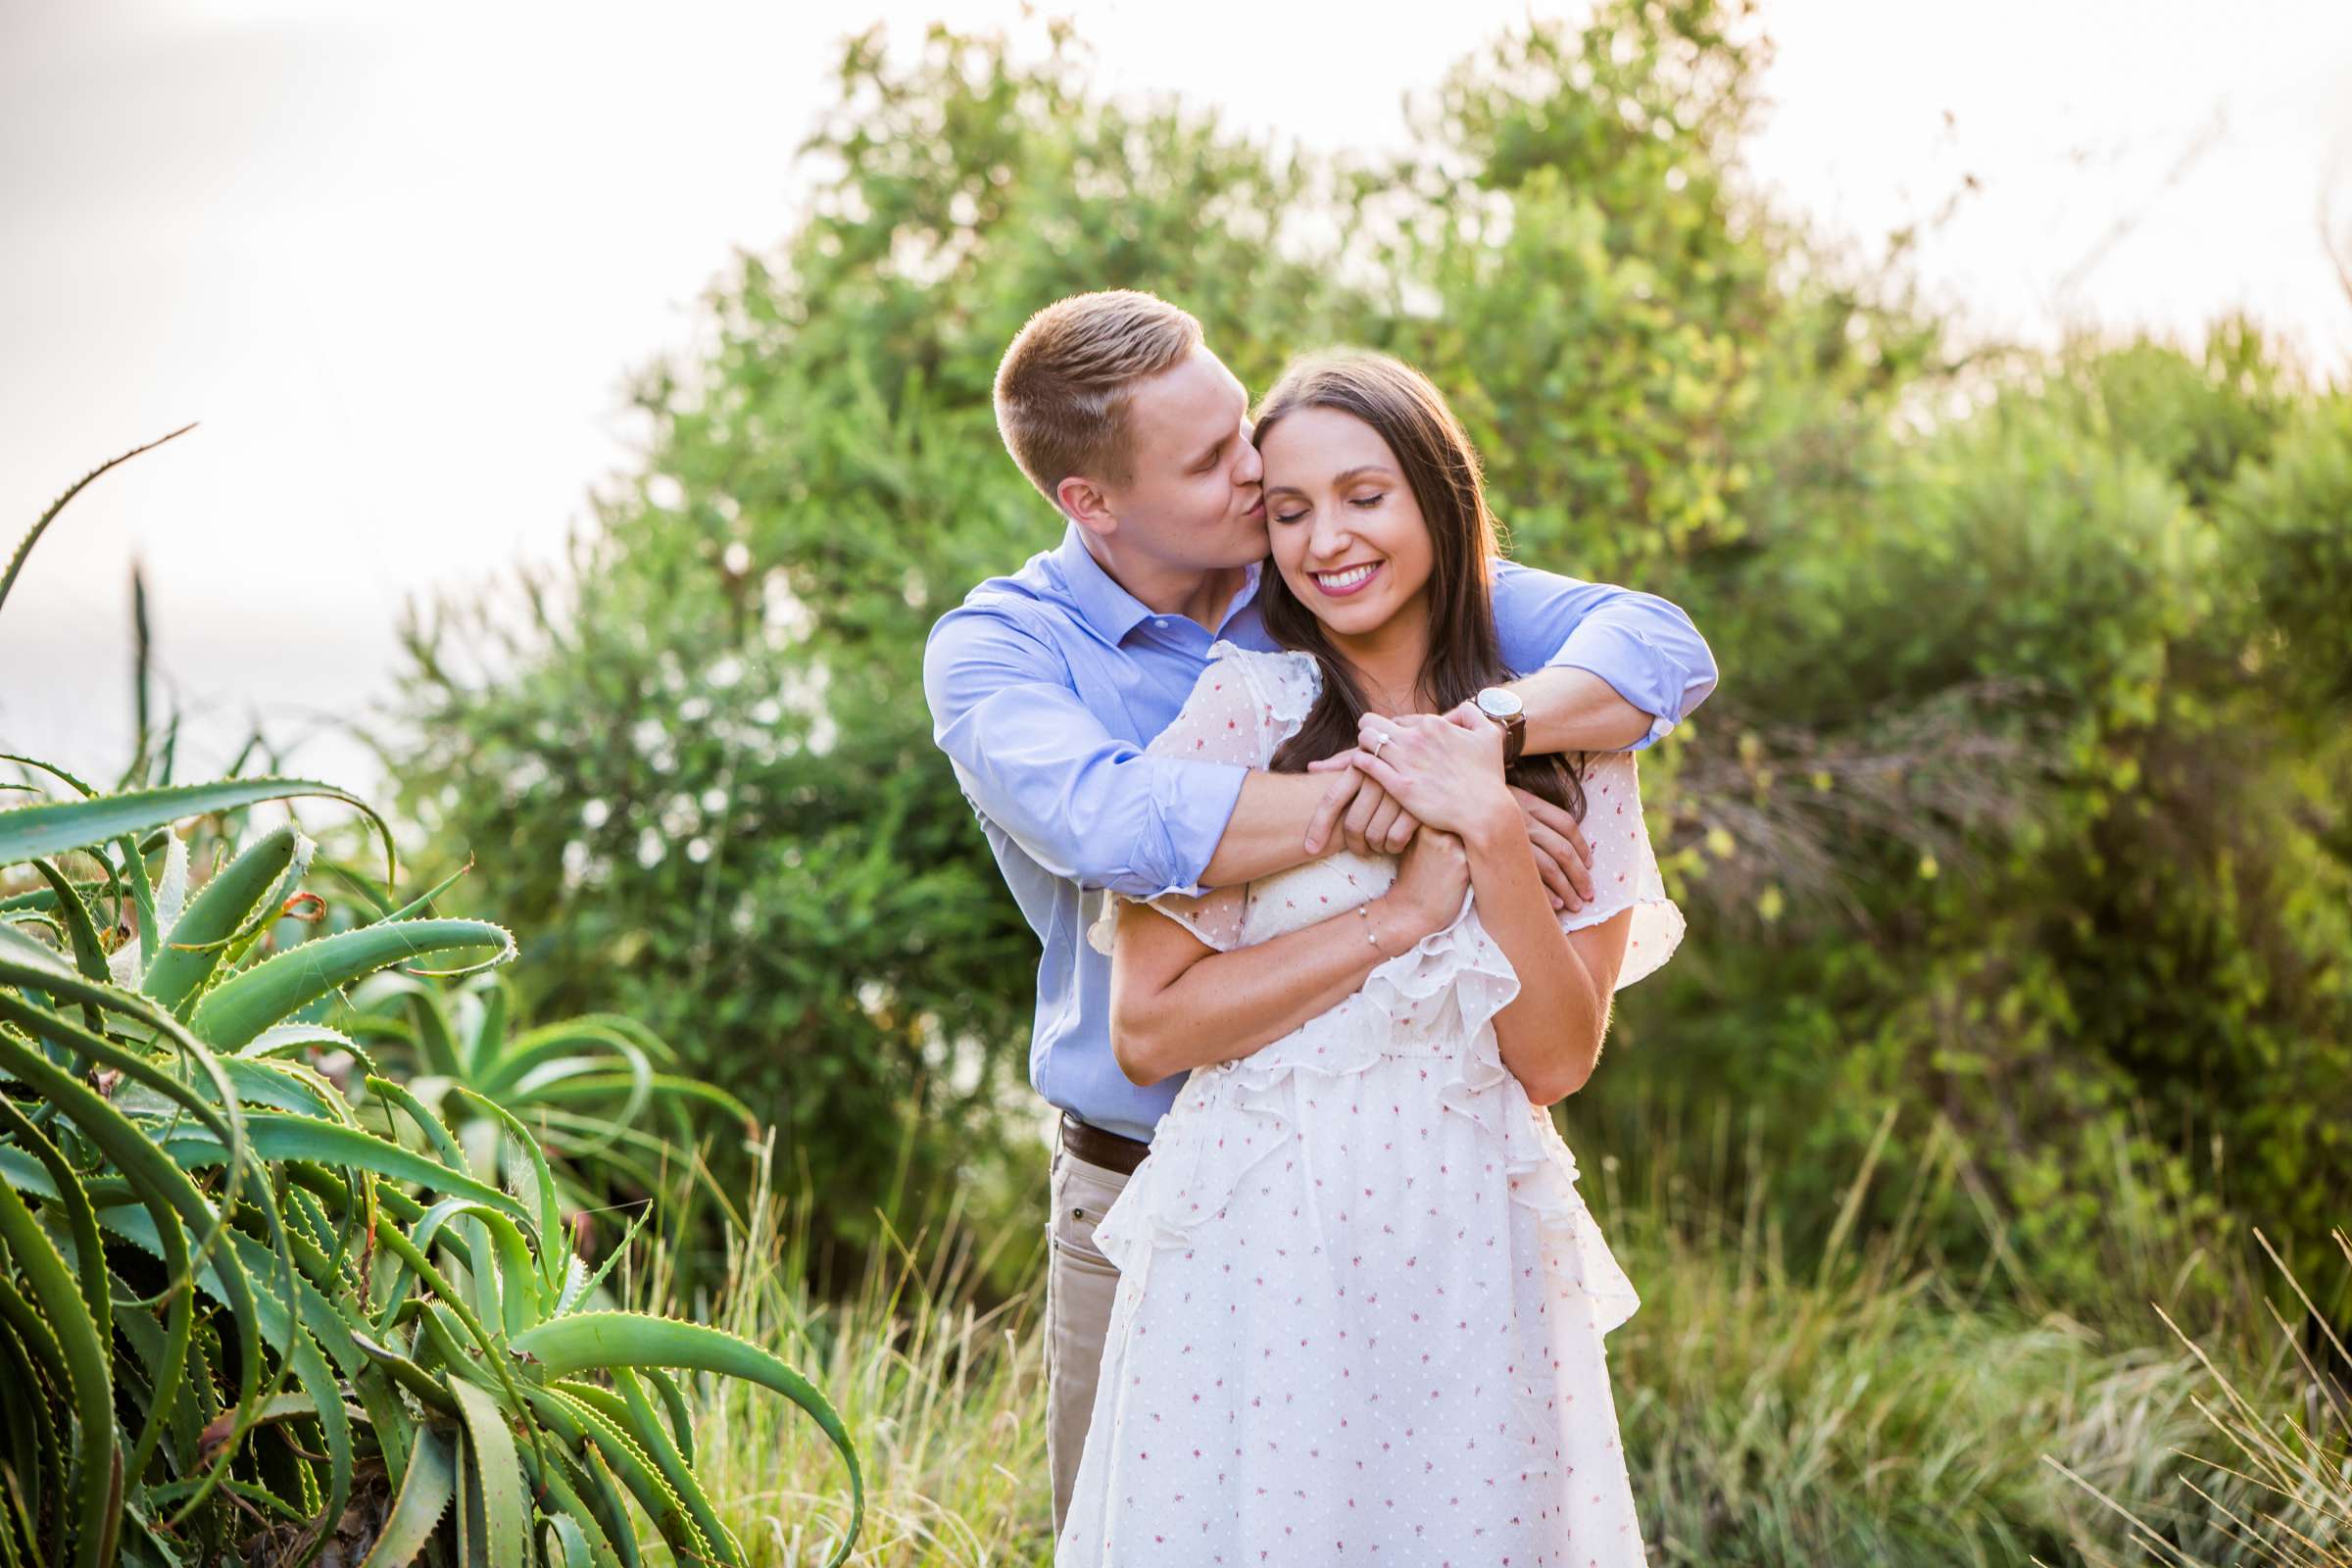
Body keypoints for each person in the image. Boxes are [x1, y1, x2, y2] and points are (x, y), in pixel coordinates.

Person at [919, 290, 1714, 1538]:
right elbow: (1114, 825)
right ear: (1094, 501)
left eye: (1247, 430)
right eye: (1228, 468)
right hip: (1175, 1198)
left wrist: (1485, 760)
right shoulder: (1014, 653)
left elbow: (1656, 645)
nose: (1261, 477)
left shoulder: (1358, 576)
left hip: (1455, 1226)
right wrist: (1393, 799)